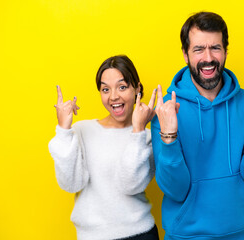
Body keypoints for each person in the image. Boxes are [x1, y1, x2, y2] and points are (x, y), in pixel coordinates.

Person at [151, 12, 244, 240]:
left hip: (242, 234)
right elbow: (175, 189)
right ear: (185, 54)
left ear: (226, 52)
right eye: (198, 49)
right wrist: (169, 137)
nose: (208, 58)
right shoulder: (166, 110)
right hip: (186, 235)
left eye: (216, 48)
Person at [48, 55, 160, 240]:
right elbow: (70, 184)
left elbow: (130, 185)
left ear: (137, 88)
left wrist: (138, 131)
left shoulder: (147, 138)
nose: (114, 96)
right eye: (105, 89)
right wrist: (63, 130)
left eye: (122, 87)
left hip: (140, 234)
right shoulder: (82, 130)